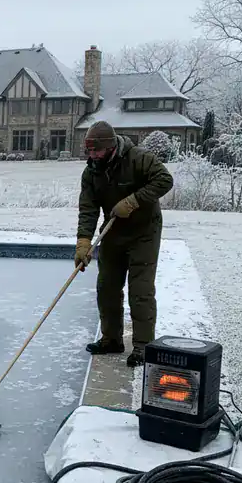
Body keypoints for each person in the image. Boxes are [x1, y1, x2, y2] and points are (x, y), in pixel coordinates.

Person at [74, 121, 174, 368]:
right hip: (112, 234)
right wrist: (83, 242)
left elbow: (165, 180)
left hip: (144, 233)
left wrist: (132, 201)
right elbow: (88, 209)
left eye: (96, 150)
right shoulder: (91, 172)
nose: (92, 155)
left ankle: (142, 347)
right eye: (89, 150)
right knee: (106, 287)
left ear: (109, 147)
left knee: (140, 292)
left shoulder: (138, 158)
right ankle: (111, 340)